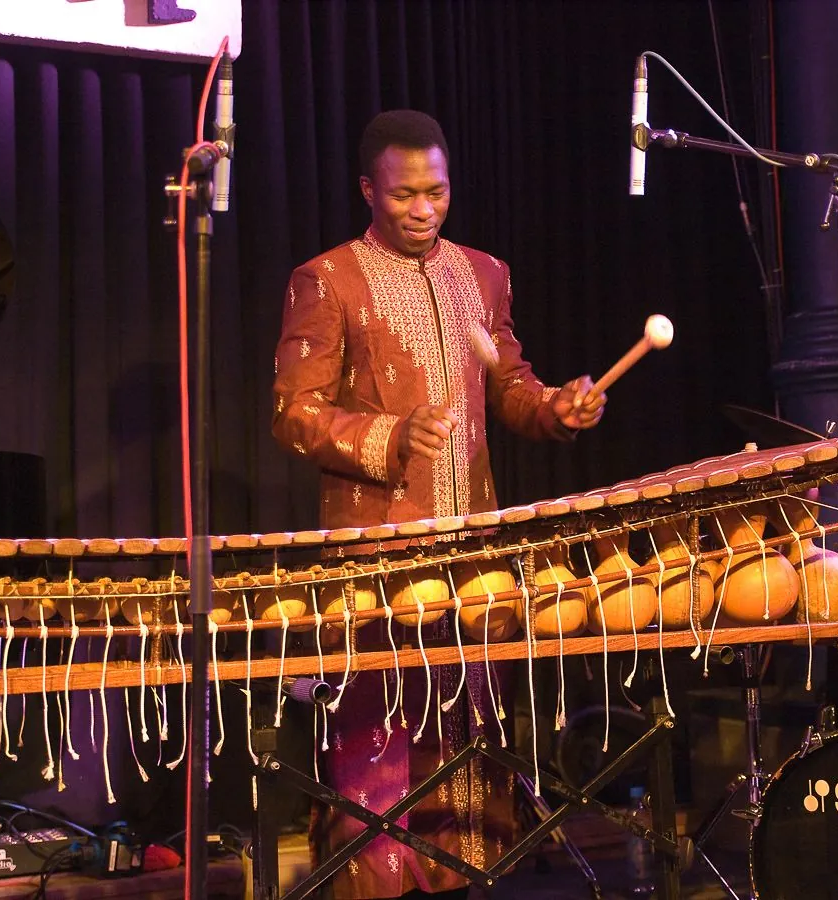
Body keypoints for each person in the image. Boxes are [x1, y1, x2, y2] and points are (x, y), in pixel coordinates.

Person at [271, 109, 605, 899]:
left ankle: (464, 877)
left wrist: (556, 407)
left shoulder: (484, 274)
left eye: (437, 192)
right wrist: (390, 435)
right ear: (368, 191)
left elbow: (512, 387)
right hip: (378, 555)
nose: (422, 209)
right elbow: (294, 413)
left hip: (472, 554)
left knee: (465, 739)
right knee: (380, 743)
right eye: (403, 196)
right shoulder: (329, 279)